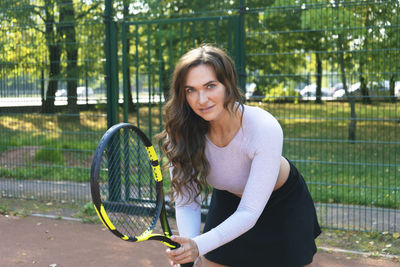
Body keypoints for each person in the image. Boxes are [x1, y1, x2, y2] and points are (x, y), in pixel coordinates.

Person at [157, 45, 321, 267]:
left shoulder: (263, 126)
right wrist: (191, 250)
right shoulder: (180, 133)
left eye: (210, 86)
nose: (201, 99)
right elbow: (187, 200)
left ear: (228, 85)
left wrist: (198, 245)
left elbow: (249, 212)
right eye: (190, 90)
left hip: (283, 205)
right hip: (229, 201)